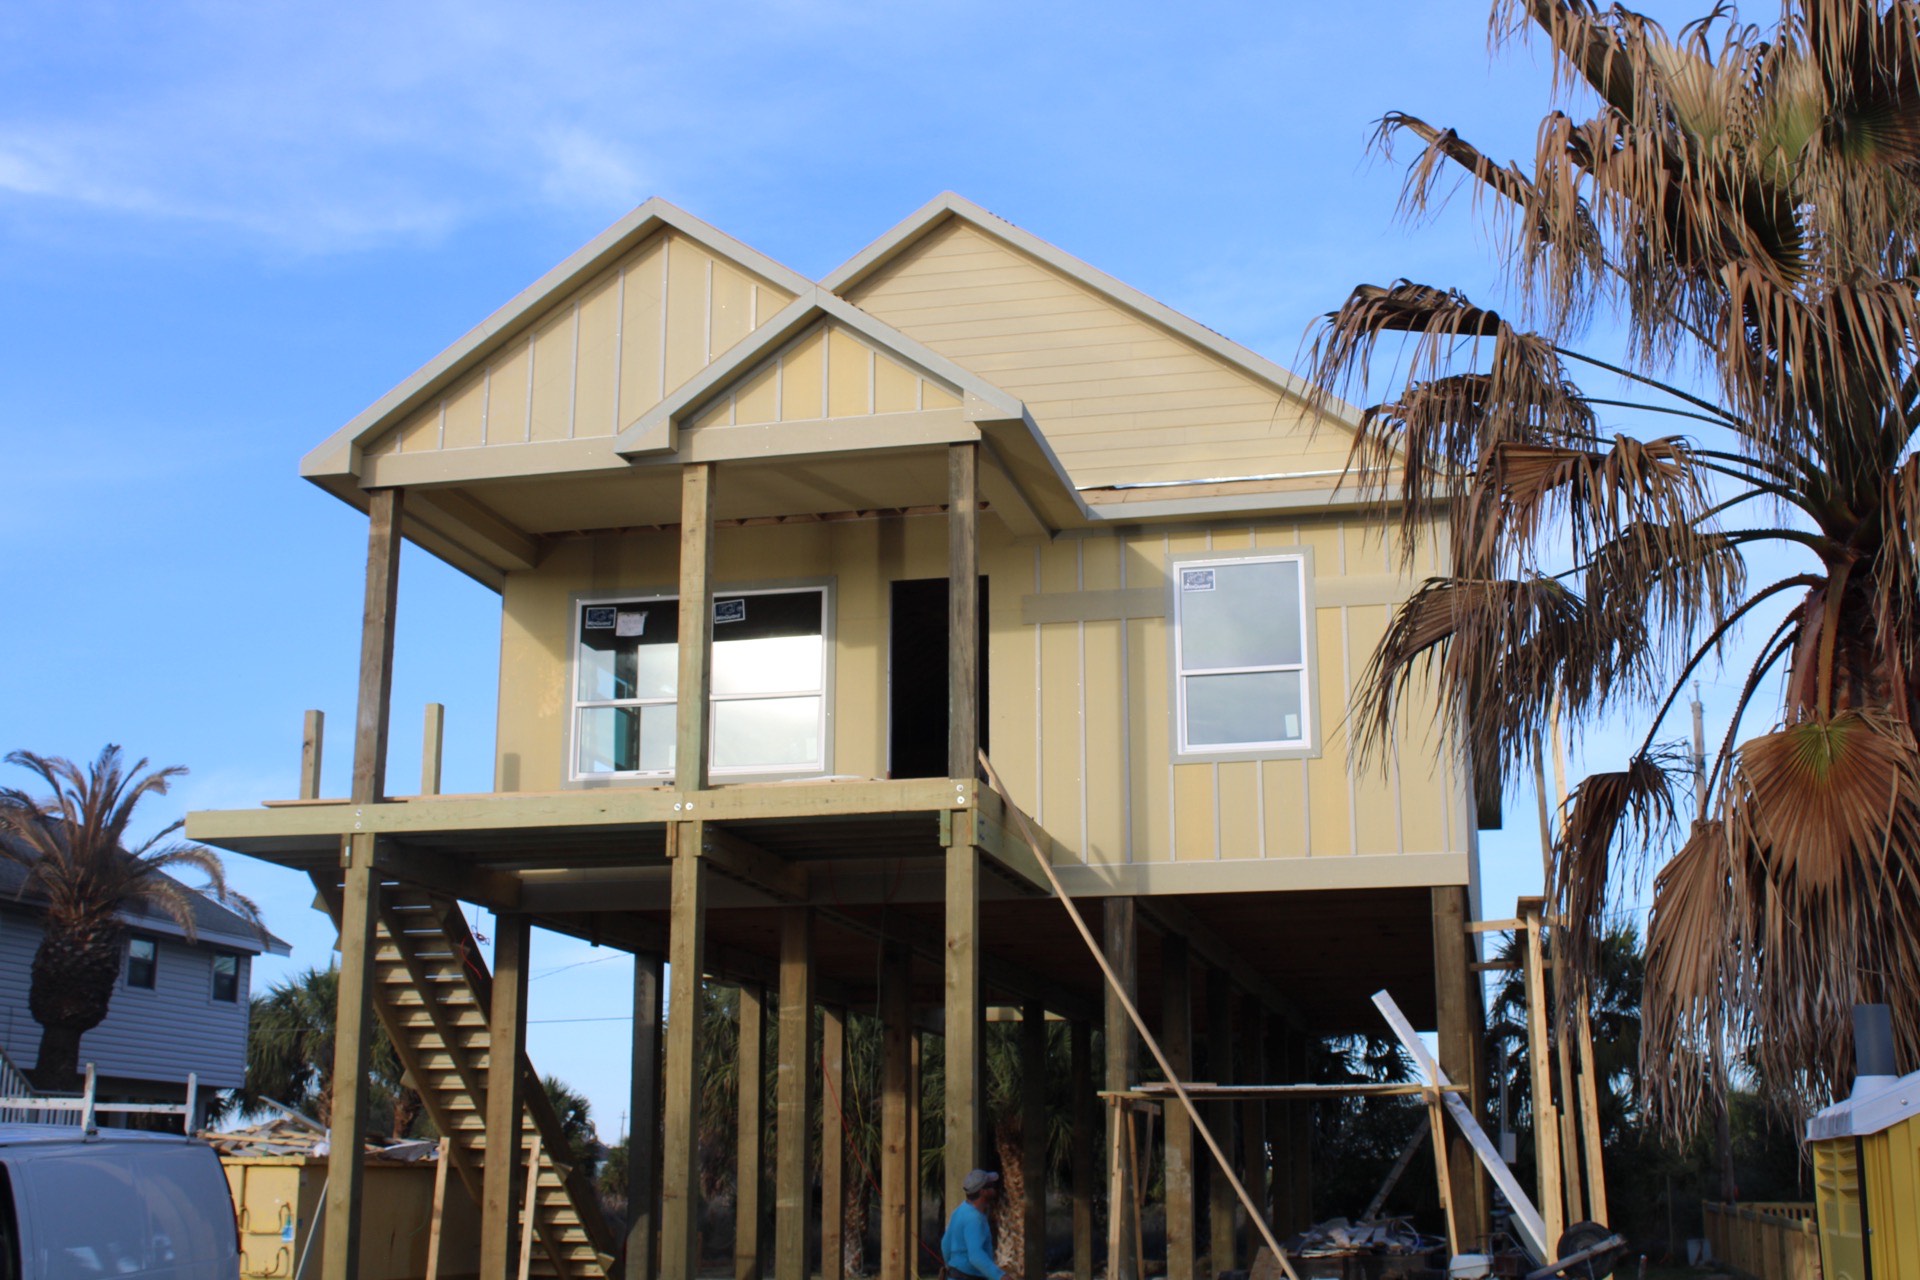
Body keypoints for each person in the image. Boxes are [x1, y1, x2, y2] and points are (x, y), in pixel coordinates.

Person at [941, 1168, 1003, 1280]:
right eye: (991, 1185)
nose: (994, 1188)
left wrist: (949, 1266)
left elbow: (945, 1244)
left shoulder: (959, 1211)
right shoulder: (975, 1219)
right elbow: (976, 1256)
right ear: (983, 1192)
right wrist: (1001, 1276)